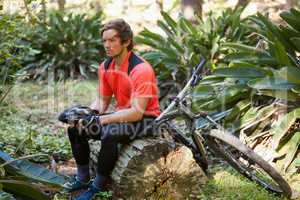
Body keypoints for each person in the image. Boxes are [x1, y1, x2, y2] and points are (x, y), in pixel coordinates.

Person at [63, 19, 161, 200]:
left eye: (112, 40)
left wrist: (101, 120)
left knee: (110, 132)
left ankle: (98, 186)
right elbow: (102, 100)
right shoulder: (106, 66)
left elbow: (137, 112)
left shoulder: (141, 69)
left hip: (146, 120)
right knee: (75, 127)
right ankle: (83, 178)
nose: (107, 45)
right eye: (104, 41)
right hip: (123, 114)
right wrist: (88, 114)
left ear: (126, 41)